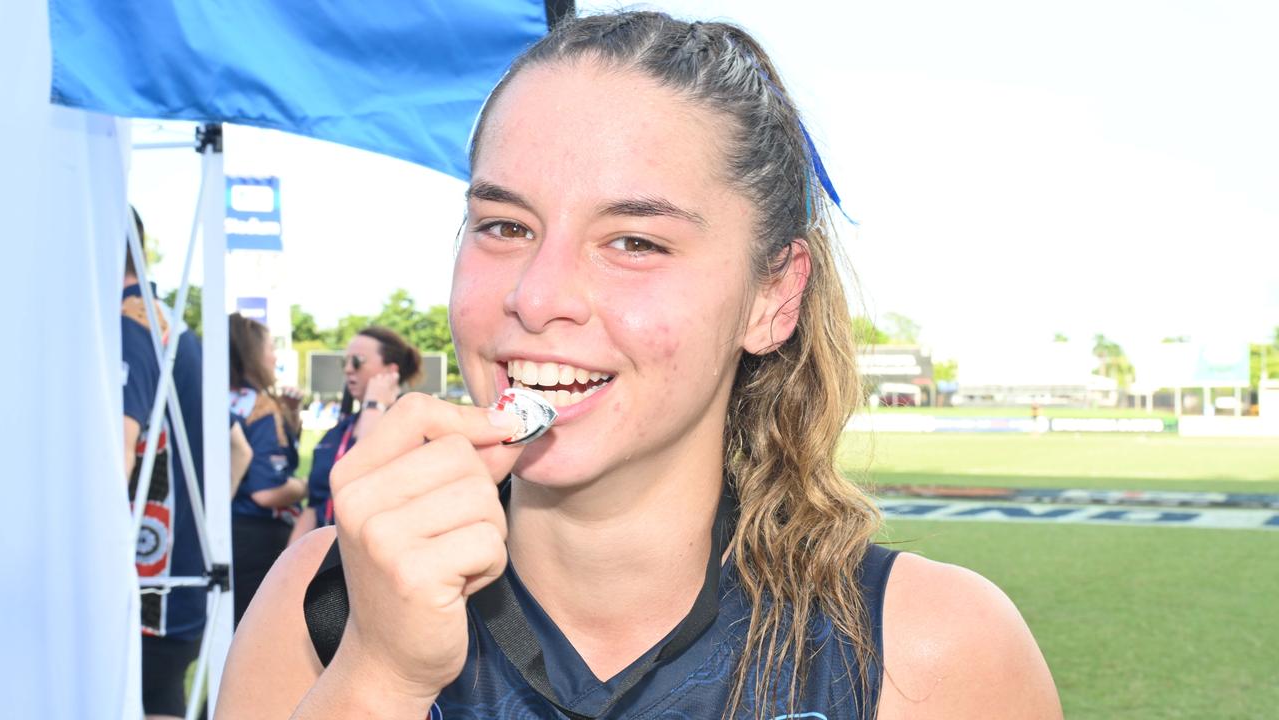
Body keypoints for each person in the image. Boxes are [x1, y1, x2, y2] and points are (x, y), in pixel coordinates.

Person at [218, 12, 1062, 719]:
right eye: (506, 226)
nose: (539, 296)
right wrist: (382, 675)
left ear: (773, 297)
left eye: (634, 241)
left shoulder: (927, 652)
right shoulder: (322, 597)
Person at [120, 207, 206, 720]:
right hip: (176, 574)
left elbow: (118, 452)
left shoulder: (128, 322)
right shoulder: (168, 320)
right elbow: (234, 447)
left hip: (142, 580)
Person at [288, 326, 422, 544]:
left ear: (390, 371)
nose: (349, 369)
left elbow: (361, 479)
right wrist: (290, 563)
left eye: (358, 361)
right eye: (345, 362)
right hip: (324, 557)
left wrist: (374, 405)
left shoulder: (411, 426)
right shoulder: (341, 429)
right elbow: (314, 506)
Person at [227, 313, 306, 627]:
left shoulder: (212, 399)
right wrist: (306, 486)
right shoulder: (259, 407)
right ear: (252, 355)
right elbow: (266, 492)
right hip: (257, 539)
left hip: (218, 532)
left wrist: (291, 419)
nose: (275, 357)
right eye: (270, 348)